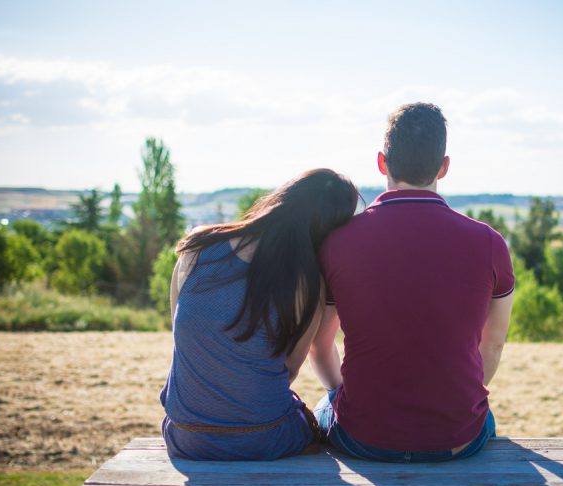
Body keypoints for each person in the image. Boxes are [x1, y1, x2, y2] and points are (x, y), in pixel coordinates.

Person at [310, 103, 515, 462]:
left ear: (381, 162)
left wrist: (345, 395)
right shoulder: (490, 243)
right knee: (484, 415)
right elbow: (493, 345)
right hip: (458, 439)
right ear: (444, 167)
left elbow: (319, 344)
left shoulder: (337, 242)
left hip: (363, 437)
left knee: (321, 406)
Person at [160, 169, 359, 460]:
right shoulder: (307, 283)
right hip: (265, 437)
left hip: (184, 436)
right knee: (321, 424)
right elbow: (287, 371)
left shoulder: (197, 246)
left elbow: (181, 336)